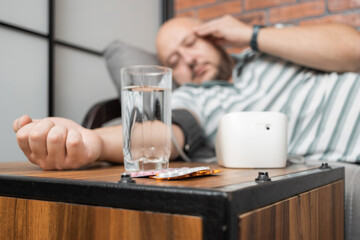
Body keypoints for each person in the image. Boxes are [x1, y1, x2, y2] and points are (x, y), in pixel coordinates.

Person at [13, 15, 360, 170]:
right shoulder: (195, 98)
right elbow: (162, 134)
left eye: (191, 43)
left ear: (214, 34)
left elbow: (353, 49)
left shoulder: (271, 46)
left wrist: (250, 34)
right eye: (174, 60)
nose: (188, 61)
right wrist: (92, 142)